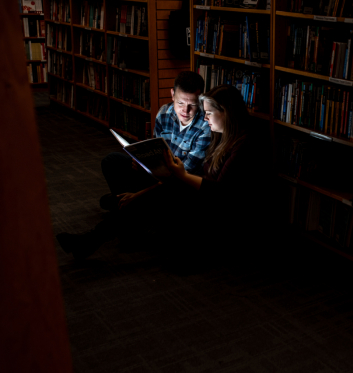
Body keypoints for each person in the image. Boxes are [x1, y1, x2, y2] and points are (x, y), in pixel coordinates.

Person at [56, 85, 269, 261]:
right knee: (118, 166)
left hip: (219, 216)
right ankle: (122, 217)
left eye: (210, 113)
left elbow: (221, 195)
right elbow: (202, 179)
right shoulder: (221, 138)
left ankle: (98, 235)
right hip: (197, 196)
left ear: (227, 113)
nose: (205, 118)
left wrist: (179, 176)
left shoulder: (244, 147)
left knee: (169, 189)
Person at [99, 71, 211, 211]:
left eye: (192, 105)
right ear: (172, 94)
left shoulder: (205, 127)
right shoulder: (164, 113)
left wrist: (137, 195)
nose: (185, 110)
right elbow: (154, 153)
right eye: (180, 103)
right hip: (157, 176)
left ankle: (129, 205)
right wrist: (141, 162)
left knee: (111, 201)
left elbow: (180, 178)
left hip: (179, 185)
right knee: (111, 161)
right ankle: (134, 206)